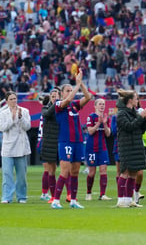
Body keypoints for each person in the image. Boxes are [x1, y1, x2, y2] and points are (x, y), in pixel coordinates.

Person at [51, 70, 92, 209]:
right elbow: (67, 100)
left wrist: (81, 84)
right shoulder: (58, 104)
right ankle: (56, 200)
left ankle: (73, 200)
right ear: (62, 93)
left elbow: (88, 97)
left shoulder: (74, 105)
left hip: (78, 141)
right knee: (65, 171)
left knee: (75, 171)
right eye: (67, 90)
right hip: (65, 141)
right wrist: (76, 84)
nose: (69, 92)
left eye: (70, 90)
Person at [115, 89, 146, 208]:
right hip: (126, 146)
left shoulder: (134, 113)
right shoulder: (121, 113)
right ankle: (120, 200)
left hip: (136, 145)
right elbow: (129, 126)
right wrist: (141, 118)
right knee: (125, 172)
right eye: (136, 99)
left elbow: (140, 129)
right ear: (130, 100)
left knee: (133, 173)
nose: (138, 101)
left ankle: (128, 199)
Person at [0, 91, 31, 203]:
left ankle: (21, 197)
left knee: (21, 175)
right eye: (11, 99)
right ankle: (6, 197)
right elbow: (2, 128)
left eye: (15, 98)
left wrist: (20, 117)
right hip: (8, 148)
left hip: (21, 147)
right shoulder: (3, 113)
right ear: (7, 101)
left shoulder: (25, 111)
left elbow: (27, 127)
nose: (14, 101)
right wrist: (12, 118)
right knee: (7, 174)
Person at [85, 98, 112, 201]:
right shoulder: (91, 117)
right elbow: (90, 131)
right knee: (92, 172)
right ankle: (88, 193)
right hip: (91, 147)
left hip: (102, 148)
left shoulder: (106, 118)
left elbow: (108, 134)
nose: (102, 106)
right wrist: (98, 123)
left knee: (103, 170)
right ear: (95, 106)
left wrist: (104, 124)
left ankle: (102, 194)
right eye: (100, 104)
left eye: (103, 104)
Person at [40, 89, 61, 203]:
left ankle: (69, 195)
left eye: (56, 96)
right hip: (49, 143)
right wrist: (56, 104)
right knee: (50, 170)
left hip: (61, 141)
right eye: (53, 96)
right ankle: (52, 195)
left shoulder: (63, 108)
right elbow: (47, 114)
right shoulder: (45, 108)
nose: (54, 98)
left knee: (65, 169)